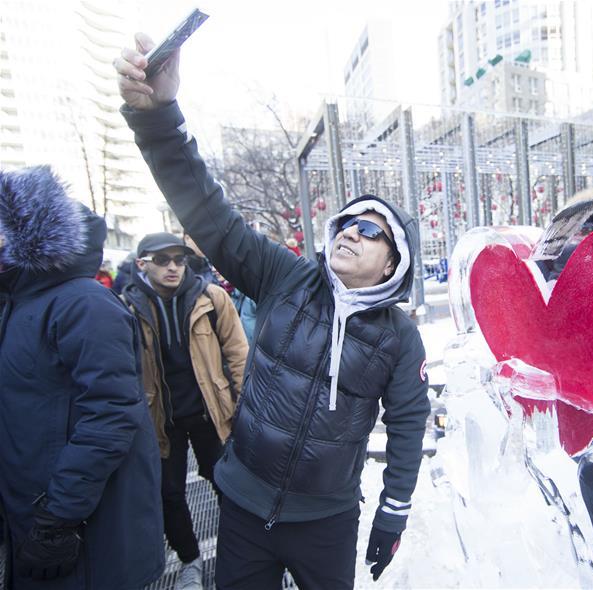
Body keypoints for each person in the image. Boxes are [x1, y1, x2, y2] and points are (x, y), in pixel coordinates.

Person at [115, 34, 431, 589]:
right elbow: (210, 215)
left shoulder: (399, 338)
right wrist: (159, 116)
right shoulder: (286, 277)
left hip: (327, 521)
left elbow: (407, 424)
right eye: (349, 223)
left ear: (392, 265)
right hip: (242, 502)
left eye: (371, 232)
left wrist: (394, 510)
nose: (352, 232)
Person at [0, 165, 165, 589]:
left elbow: (111, 415)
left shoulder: (83, 304)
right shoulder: (16, 304)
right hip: (32, 516)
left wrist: (58, 516)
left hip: (84, 533)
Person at [122, 232, 248, 590]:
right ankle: (189, 559)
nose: (173, 267)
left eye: (179, 259)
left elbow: (239, 355)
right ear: (142, 264)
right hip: (160, 419)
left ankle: (242, 551)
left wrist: (244, 407)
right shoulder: (127, 307)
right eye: (162, 260)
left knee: (228, 484)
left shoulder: (211, 297)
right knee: (168, 494)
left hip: (212, 412)